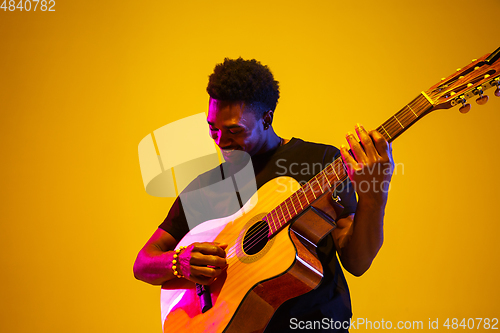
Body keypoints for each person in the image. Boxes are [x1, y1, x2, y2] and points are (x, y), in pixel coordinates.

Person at [133, 58, 394, 332]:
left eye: (234, 130)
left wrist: (374, 195)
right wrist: (180, 262)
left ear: (266, 118)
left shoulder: (320, 162)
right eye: (213, 128)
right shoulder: (203, 188)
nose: (220, 141)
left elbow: (357, 261)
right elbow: (143, 263)